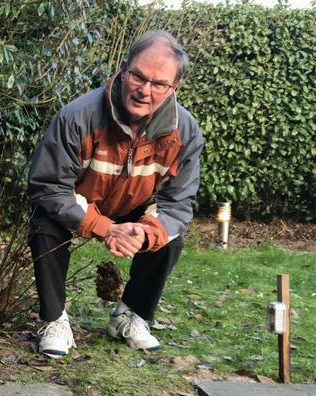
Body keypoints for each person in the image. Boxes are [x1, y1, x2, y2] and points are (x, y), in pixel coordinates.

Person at [27, 30, 204, 357]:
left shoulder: (187, 132)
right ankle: (54, 319)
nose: (144, 90)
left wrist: (144, 233)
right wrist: (104, 226)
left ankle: (130, 314)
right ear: (123, 69)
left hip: (137, 210)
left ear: (174, 88)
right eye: (138, 76)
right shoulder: (76, 117)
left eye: (159, 84)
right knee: (44, 224)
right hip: (81, 203)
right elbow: (49, 188)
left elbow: (177, 203)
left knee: (170, 236)